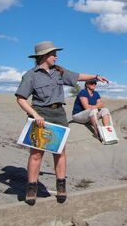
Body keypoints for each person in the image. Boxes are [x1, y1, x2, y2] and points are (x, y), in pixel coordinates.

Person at [15, 41, 107, 206]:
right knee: (37, 153)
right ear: (44, 56)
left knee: (60, 152)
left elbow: (77, 76)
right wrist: (35, 115)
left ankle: (61, 186)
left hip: (59, 114)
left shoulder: (59, 72)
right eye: (53, 54)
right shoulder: (31, 75)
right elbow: (21, 99)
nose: (56, 57)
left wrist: (95, 76)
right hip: (40, 113)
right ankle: (31, 187)